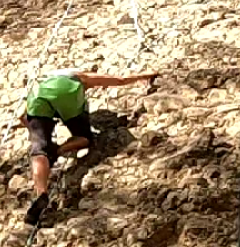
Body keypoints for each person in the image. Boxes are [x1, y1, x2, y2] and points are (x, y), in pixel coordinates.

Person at [20, 69, 157, 223]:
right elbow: (120, 79)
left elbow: (22, 117)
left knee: (39, 150)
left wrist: (35, 131)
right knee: (85, 138)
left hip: (39, 98)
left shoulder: (42, 81)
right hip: (67, 95)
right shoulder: (78, 76)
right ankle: (58, 151)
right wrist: (145, 75)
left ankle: (41, 193)